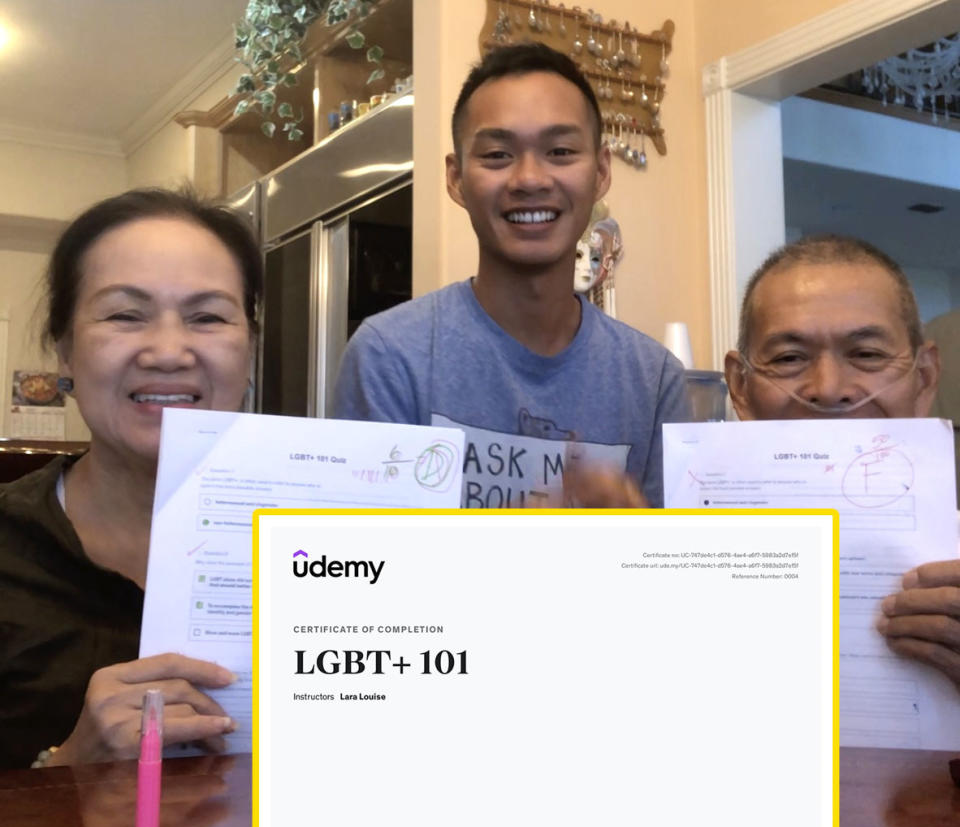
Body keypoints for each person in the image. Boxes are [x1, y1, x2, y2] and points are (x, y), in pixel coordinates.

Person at [333, 43, 688, 508]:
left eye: (560, 151)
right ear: (456, 178)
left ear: (601, 172)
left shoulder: (654, 381)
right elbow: (361, 568)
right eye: (498, 155)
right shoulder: (390, 357)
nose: (529, 179)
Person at [0, 188, 263, 769]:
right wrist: (68, 768)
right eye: (125, 314)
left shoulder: (331, 533)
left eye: (207, 317)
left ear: (248, 348)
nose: (169, 352)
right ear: (65, 351)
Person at [723, 233, 960, 689]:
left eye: (867, 354)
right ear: (739, 386)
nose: (829, 389)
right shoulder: (679, 548)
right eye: (790, 358)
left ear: (924, 378)